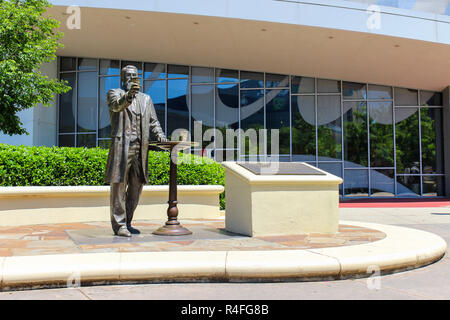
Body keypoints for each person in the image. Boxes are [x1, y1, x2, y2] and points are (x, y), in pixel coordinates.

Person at [104, 65, 167, 237]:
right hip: (123, 146)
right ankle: (119, 225)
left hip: (141, 148)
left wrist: (161, 136)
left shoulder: (146, 99)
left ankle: (128, 221)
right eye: (128, 75)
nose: (132, 78)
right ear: (123, 79)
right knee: (119, 186)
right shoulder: (114, 93)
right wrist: (129, 94)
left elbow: (153, 122)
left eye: (135, 75)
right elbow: (116, 106)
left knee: (136, 186)